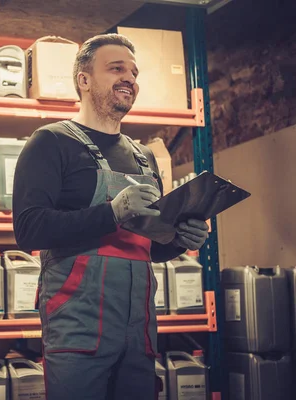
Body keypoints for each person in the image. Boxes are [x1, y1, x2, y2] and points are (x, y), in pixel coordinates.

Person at [12, 33, 210, 399]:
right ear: (83, 80)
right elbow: (28, 229)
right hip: (78, 325)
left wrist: (182, 238)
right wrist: (112, 212)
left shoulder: (143, 157)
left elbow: (149, 246)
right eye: (116, 68)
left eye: (134, 73)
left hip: (138, 327)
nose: (129, 79)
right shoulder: (51, 142)